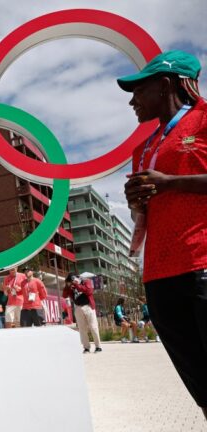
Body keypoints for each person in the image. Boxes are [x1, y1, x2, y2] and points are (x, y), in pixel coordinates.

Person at [120, 50, 207, 416]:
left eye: (139, 90)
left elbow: (169, 186)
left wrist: (170, 183)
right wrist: (135, 199)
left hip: (202, 266)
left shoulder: (204, 121)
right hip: (158, 276)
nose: (132, 100)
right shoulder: (142, 148)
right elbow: (150, 205)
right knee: (202, 389)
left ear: (166, 85)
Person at [63, 273, 101, 354]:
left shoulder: (86, 281)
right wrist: (67, 286)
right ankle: (86, 347)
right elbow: (64, 295)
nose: (71, 282)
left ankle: (98, 347)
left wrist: (77, 285)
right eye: (70, 281)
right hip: (78, 307)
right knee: (82, 329)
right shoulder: (70, 287)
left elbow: (89, 291)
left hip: (88, 307)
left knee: (93, 327)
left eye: (71, 281)